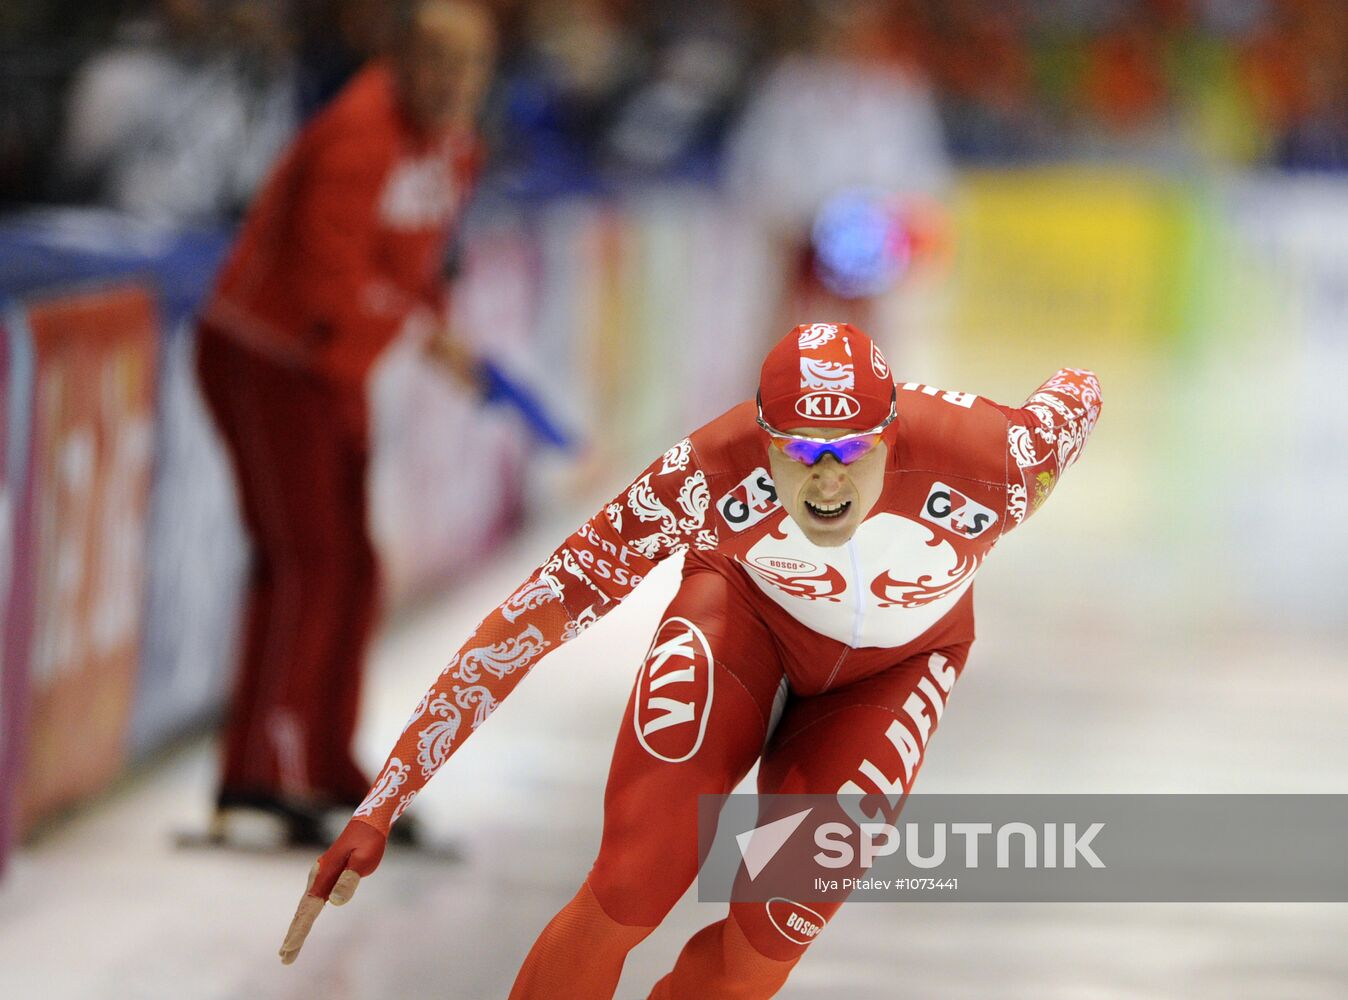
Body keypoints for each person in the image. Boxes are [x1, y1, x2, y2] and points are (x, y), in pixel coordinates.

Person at [282, 321, 1102, 997]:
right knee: (635, 878)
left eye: (849, 452)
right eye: (795, 452)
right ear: (760, 436)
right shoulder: (706, 472)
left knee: (774, 928)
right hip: (743, 619)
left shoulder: (999, 462)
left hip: (897, 667)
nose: (823, 484)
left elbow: (1080, 391)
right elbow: (528, 621)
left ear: (890, 434)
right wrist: (384, 800)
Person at [196, 0, 496, 842]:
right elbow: (329, 281)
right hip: (268, 357)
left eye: (470, 69)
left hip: (332, 370)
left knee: (354, 566)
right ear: (401, 61)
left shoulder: (453, 147)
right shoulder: (358, 136)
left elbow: (412, 263)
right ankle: (260, 774)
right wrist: (420, 331)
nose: (453, 84)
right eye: (437, 64)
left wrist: (431, 319)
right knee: (307, 559)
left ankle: (324, 763)